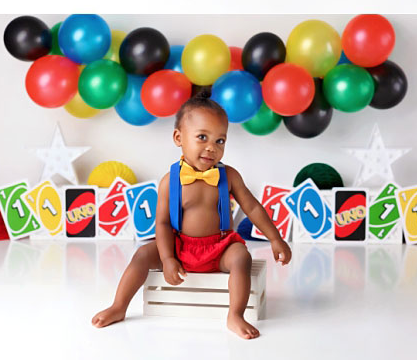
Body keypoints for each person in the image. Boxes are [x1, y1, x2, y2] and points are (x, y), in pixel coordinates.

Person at [92, 94, 291, 340]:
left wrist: (275, 238)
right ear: (179, 138)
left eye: (220, 140)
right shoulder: (170, 181)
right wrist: (167, 258)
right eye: (202, 137)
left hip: (219, 248)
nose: (212, 147)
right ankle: (119, 306)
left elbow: (253, 208)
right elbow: (163, 223)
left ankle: (235, 314)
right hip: (180, 246)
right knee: (142, 254)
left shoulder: (229, 176)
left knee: (241, 257)